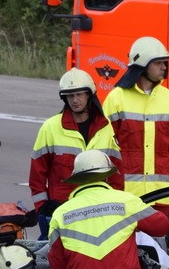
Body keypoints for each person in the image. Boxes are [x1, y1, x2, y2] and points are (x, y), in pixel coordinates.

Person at [29, 68, 122, 239]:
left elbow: (116, 175)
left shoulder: (106, 128)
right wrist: (42, 208)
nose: (75, 100)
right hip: (62, 212)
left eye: (79, 94)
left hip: (98, 212)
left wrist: (116, 207)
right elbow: (37, 176)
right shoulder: (50, 128)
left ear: (89, 95)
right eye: (70, 96)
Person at [103, 36, 169, 215]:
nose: (164, 67)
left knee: (157, 244)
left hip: (161, 196)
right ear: (143, 65)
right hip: (125, 197)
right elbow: (104, 148)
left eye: (164, 63)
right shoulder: (117, 98)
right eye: (158, 63)